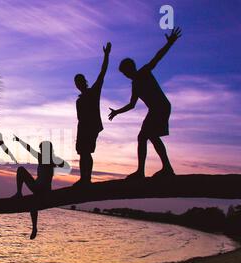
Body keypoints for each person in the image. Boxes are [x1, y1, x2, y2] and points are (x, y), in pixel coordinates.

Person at [109, 28, 182, 179]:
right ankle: (163, 168)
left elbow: (157, 58)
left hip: (161, 107)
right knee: (150, 136)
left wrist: (169, 43)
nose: (126, 75)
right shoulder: (135, 84)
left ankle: (145, 171)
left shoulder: (143, 72)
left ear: (130, 69)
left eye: (125, 72)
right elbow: (131, 105)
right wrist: (117, 112)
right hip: (156, 109)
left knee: (144, 136)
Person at [12, 135, 70, 239]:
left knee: (33, 203)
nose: (40, 150)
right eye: (40, 149)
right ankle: (19, 193)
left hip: (44, 189)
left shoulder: (51, 160)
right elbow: (29, 148)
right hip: (36, 186)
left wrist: (55, 162)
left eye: (42, 149)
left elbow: (66, 166)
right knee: (20, 170)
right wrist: (19, 141)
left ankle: (34, 228)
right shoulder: (43, 158)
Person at [74, 42, 112, 186]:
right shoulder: (79, 100)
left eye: (80, 81)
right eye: (76, 82)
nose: (78, 84)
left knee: (86, 152)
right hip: (82, 128)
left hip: (91, 127)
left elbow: (102, 73)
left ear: (84, 81)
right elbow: (79, 118)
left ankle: (87, 178)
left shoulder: (93, 92)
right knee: (82, 153)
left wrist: (106, 55)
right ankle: (83, 178)